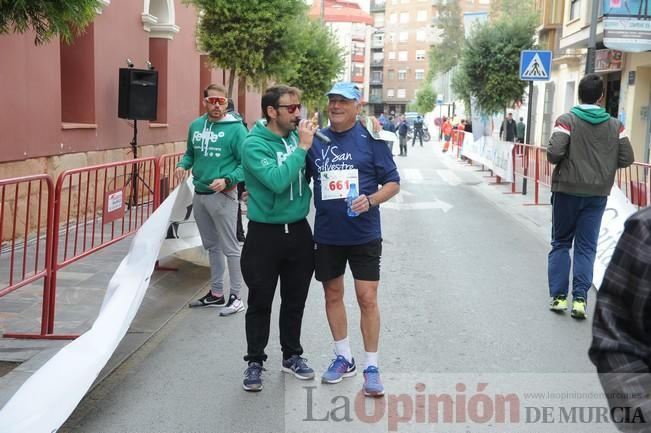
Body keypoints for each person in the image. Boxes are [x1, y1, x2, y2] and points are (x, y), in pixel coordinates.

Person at [307, 82, 400, 397]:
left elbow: (393, 182)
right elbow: (298, 176)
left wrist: (370, 200)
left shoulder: (371, 140)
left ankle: (371, 366)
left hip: (364, 233)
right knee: (332, 295)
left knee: (367, 298)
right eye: (332, 100)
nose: (335, 106)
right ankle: (344, 357)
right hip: (328, 233)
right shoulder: (316, 140)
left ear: (357, 105)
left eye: (343, 101)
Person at [240, 85, 317, 392]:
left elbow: (313, 175)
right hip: (264, 233)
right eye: (291, 108)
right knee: (260, 300)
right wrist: (302, 149)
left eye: (298, 106)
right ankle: (255, 361)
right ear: (272, 112)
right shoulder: (254, 144)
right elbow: (275, 181)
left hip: (298, 229)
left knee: (295, 299)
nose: (297, 113)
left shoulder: (298, 137)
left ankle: (292, 355)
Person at [547, 73, 634, 319]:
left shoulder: (566, 121)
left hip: (566, 191)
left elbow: (554, 154)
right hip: (597, 194)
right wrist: (604, 167)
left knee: (561, 242)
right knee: (587, 247)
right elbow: (626, 158)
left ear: (578, 94)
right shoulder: (616, 126)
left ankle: (560, 297)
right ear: (601, 97)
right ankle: (580, 301)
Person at [176, 83, 247, 316]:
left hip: (224, 195)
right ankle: (217, 293)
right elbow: (190, 153)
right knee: (212, 246)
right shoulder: (196, 126)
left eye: (221, 101)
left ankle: (236, 296)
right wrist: (182, 165)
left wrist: (227, 180)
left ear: (226, 103)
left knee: (231, 248)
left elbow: (246, 163)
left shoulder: (236, 129)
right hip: (200, 194)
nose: (217, 105)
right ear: (204, 101)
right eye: (212, 100)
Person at [588, 207, 651, 429]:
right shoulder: (646, 230)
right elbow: (618, 342)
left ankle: (572, 295)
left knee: (568, 244)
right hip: (594, 194)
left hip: (576, 194)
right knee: (581, 246)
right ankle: (576, 295)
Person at [226, 98, 248, 243]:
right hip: (243, 170)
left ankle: (236, 234)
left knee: (232, 204)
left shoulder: (228, 122)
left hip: (233, 171)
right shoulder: (242, 122)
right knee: (237, 203)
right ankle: (239, 233)